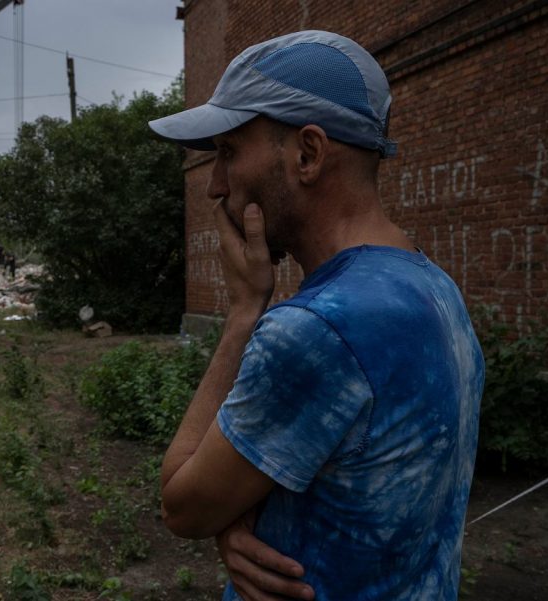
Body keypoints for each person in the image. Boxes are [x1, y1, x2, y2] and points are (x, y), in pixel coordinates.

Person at [151, 31, 485, 601]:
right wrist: (233, 522)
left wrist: (243, 312)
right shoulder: (433, 286)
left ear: (307, 154)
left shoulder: (318, 330)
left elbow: (183, 505)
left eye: (229, 152)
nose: (214, 187)